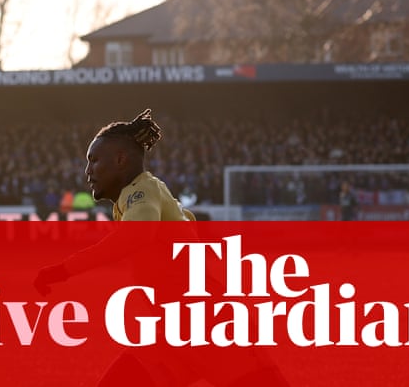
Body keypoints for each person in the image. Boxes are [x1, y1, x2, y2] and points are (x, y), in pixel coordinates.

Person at [34, 110, 288, 387]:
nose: (88, 170)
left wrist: (63, 269)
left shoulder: (142, 191)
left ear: (120, 160)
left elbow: (133, 239)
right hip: (175, 332)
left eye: (94, 161)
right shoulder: (140, 196)